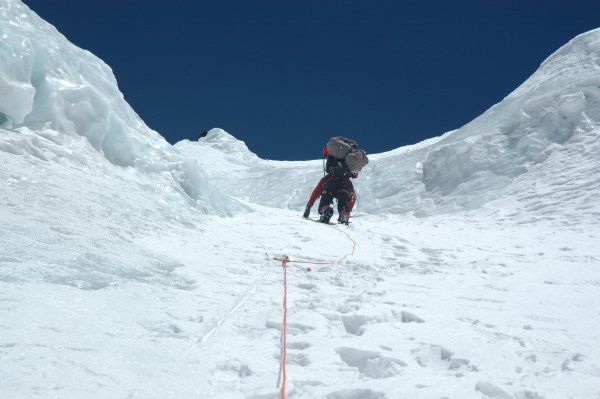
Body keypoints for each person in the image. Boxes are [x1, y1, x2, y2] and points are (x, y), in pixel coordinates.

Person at [302, 146, 358, 225]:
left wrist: (308, 207)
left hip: (330, 184)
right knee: (343, 206)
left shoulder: (326, 178)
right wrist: (347, 212)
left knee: (323, 205)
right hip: (345, 186)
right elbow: (353, 197)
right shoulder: (348, 182)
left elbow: (316, 192)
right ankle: (343, 216)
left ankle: (326, 211)